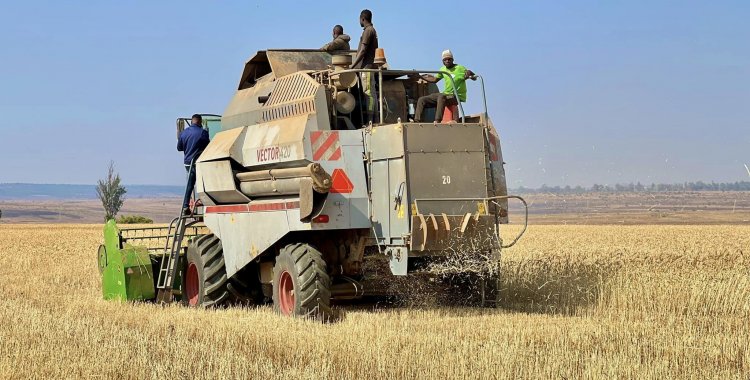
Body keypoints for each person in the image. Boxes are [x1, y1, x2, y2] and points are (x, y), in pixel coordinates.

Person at [413, 50, 476, 123]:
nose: (447, 61)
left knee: (441, 97)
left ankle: (437, 120)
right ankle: (417, 120)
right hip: (446, 94)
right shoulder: (443, 69)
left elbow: (474, 77)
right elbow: (434, 79)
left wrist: (470, 72)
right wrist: (420, 76)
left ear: (453, 60)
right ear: (442, 61)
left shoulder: (460, 68)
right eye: (445, 60)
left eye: (449, 59)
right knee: (422, 99)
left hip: (456, 96)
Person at [177, 114, 210, 216]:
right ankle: (203, 201)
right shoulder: (203, 133)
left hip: (188, 164)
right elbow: (208, 147)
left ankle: (186, 206)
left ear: (192, 122)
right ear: (200, 122)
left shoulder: (183, 133)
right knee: (205, 182)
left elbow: (179, 148)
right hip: (199, 163)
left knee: (190, 185)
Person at [351, 9, 378, 123]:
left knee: (368, 94)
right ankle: (374, 119)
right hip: (367, 67)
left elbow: (362, 51)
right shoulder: (372, 30)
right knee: (371, 94)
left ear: (362, 19)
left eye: (359, 19)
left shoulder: (368, 31)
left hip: (366, 68)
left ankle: (370, 120)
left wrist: (353, 66)